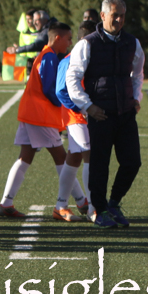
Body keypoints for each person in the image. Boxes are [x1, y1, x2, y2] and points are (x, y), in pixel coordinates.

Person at [64, 0, 144, 229]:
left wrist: (136, 98)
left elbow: (137, 74)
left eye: (122, 16)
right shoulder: (87, 44)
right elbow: (72, 78)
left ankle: (114, 203)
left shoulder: (133, 42)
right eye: (114, 15)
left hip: (126, 113)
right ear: (103, 15)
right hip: (101, 114)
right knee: (99, 165)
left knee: (132, 162)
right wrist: (88, 106)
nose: (118, 20)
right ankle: (99, 210)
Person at [0, 22, 73, 218]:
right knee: (63, 159)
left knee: (25, 157)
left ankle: (6, 203)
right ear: (58, 38)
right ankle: (81, 202)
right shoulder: (49, 57)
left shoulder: (46, 54)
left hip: (31, 113)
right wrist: (64, 103)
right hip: (40, 115)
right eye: (68, 39)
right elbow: (50, 89)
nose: (70, 43)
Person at [54, 20, 97, 221]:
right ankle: (93, 208)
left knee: (74, 158)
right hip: (77, 115)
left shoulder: (91, 57)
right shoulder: (70, 59)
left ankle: (61, 205)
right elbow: (60, 91)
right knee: (90, 156)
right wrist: (81, 108)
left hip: (83, 114)